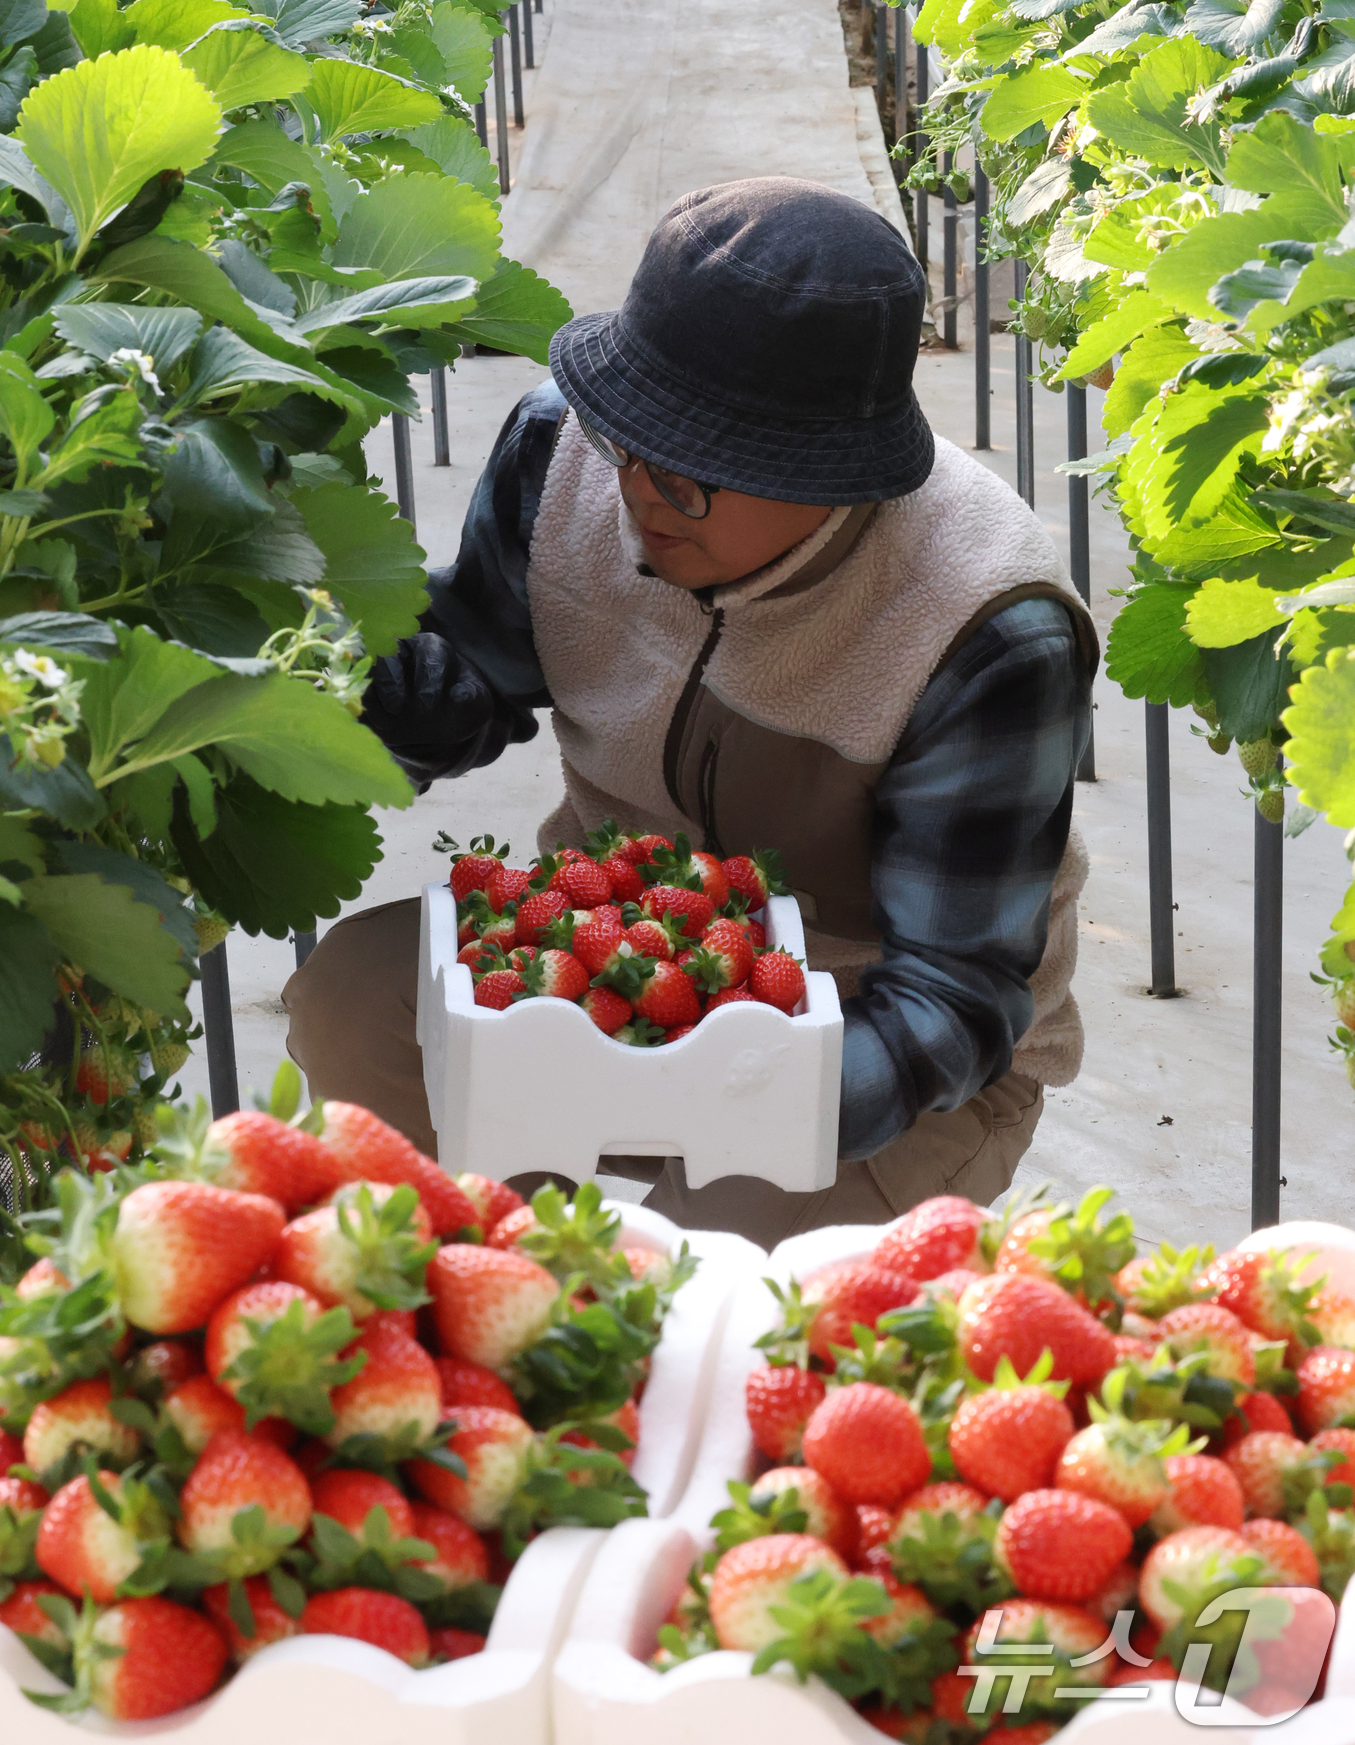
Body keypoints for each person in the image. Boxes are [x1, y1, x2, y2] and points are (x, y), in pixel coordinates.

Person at [284, 176, 1096, 1249]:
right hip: (615, 942)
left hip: (870, 1034)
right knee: (352, 996)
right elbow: (469, 679)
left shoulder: (981, 622)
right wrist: (319, 682)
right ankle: (477, 1292)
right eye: (628, 437)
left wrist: (693, 1085)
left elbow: (953, 1001)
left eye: (693, 476)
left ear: (831, 474)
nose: (636, 491)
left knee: (693, 1282)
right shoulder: (563, 452)